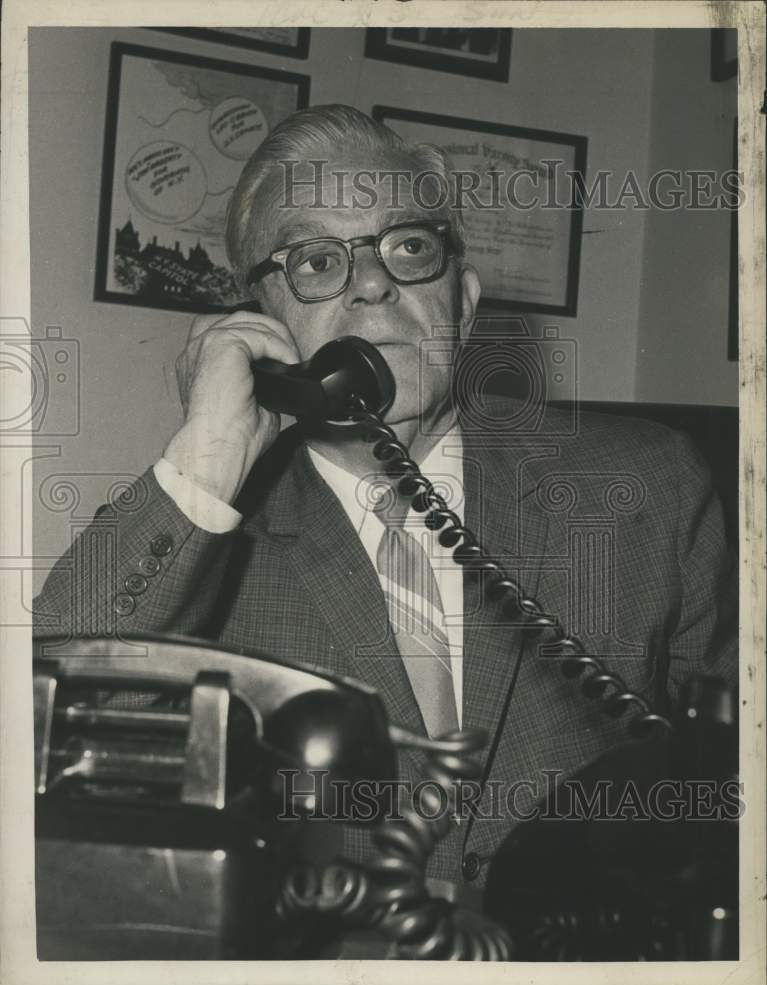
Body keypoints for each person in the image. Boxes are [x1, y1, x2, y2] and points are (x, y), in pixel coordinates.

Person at [34, 104, 737, 890]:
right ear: (259, 321)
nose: (372, 283)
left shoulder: (651, 483)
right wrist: (210, 455)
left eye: (409, 246)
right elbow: (51, 695)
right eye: (316, 260)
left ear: (462, 304)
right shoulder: (196, 526)